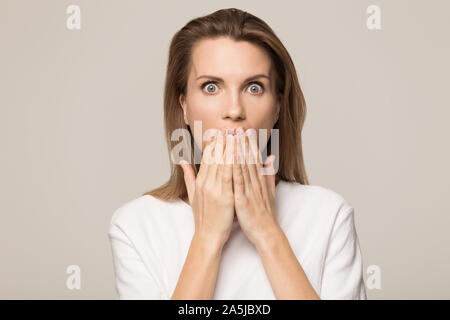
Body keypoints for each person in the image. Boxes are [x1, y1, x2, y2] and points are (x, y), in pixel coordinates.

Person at [108, 8, 367, 300]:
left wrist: (268, 233)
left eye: (254, 88)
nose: (234, 110)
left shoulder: (328, 216)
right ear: (184, 105)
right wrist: (207, 239)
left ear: (278, 106)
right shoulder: (136, 225)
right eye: (210, 87)